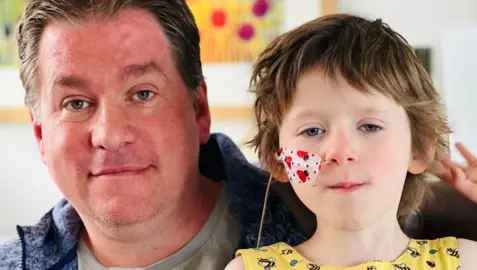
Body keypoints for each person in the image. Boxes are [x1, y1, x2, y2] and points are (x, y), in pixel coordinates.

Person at [0, 0, 306, 269]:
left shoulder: (324, 228)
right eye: (76, 103)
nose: (110, 135)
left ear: (199, 110)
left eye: (142, 94)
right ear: (40, 135)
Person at [226, 14, 477, 270]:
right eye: (312, 130)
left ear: (419, 149)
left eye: (370, 126)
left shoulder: (467, 261)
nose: (340, 151)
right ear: (278, 160)